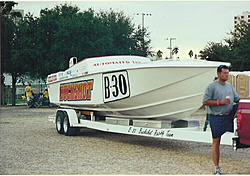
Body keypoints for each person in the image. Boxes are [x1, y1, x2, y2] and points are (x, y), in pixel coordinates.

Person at [202, 65, 241, 175]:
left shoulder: (229, 86)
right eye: (224, 73)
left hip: (228, 116)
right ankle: (216, 167)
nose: (226, 75)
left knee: (241, 106)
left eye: (227, 73)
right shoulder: (211, 86)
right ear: (218, 74)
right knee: (216, 142)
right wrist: (220, 102)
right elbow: (205, 102)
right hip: (216, 117)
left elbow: (238, 99)